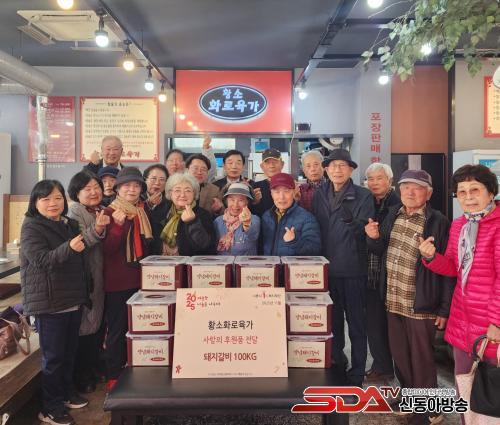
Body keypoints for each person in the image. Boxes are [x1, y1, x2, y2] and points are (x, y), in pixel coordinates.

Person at [365, 169, 454, 424]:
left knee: (422, 359)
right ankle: (410, 397)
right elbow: (382, 249)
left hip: (421, 303)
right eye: (406, 187)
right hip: (393, 299)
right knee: (401, 356)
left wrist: (444, 309)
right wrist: (373, 239)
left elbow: (449, 268)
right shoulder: (394, 213)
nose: (410, 192)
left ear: (429, 193)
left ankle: (430, 409)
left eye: (417, 188)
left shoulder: (438, 221)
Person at [419, 165, 500, 417]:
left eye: (475, 190)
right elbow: (453, 267)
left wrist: (497, 322)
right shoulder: (460, 225)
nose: (468, 197)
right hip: (463, 322)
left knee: (491, 392)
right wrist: (431, 257)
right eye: (462, 192)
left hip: (490, 326)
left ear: (491, 192)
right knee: (465, 390)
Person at [20, 180, 91, 425]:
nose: (53, 203)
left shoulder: (69, 223)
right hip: (49, 302)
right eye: (46, 199)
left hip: (72, 298)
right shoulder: (31, 227)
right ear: (35, 202)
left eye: (58, 197)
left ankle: (66, 394)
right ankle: (50, 408)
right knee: (53, 358)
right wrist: (69, 247)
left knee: (69, 352)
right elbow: (41, 260)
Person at [311, 148, 374, 387]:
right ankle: (338, 365)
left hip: (353, 269)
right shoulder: (319, 194)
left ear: (350, 170)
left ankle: (357, 373)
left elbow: (365, 231)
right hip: (326, 271)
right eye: (333, 165)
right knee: (333, 323)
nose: (337, 169)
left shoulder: (363, 195)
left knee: (357, 325)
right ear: (326, 170)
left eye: (342, 165)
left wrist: (351, 221)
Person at [102, 167, 153, 390]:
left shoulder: (141, 211)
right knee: (117, 329)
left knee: (139, 329)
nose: (132, 189)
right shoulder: (109, 212)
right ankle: (113, 374)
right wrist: (118, 227)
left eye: (136, 185)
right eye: (127, 185)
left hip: (140, 279)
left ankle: (134, 369)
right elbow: (106, 250)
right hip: (117, 281)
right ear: (117, 189)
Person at [67, 171, 110, 394]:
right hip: (86, 278)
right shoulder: (75, 211)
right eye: (87, 189)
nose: (94, 192)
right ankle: (81, 376)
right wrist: (99, 229)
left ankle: (92, 369)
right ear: (77, 193)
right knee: (84, 328)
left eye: (96, 187)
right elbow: (79, 243)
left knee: (97, 326)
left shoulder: (100, 209)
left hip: (100, 276)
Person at [364, 163, 400, 383]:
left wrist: (375, 238)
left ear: (390, 180)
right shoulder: (367, 202)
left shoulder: (398, 204)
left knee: (392, 327)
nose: (374, 183)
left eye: (379, 178)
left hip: (392, 275)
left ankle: (397, 370)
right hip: (372, 274)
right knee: (374, 324)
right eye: (370, 179)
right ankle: (382, 367)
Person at [152, 172, 216, 256]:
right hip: (161, 261)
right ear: (170, 193)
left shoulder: (203, 214)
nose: (182, 195)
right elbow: (151, 242)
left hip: (189, 262)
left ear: (194, 194)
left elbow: (205, 246)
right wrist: (162, 248)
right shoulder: (160, 211)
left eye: (187, 191)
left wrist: (192, 222)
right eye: (177, 190)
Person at [262, 173, 321, 256]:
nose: (281, 197)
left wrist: (294, 241)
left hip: (292, 265)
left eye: (286, 191)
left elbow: (315, 249)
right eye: (277, 192)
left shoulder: (307, 218)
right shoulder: (266, 216)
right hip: (271, 264)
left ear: (293, 192)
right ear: (271, 194)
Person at [214, 182, 260, 256]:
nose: (235, 205)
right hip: (222, 263)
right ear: (226, 201)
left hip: (245, 263)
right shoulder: (218, 221)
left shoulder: (254, 219)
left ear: (247, 202)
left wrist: (247, 223)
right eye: (232, 200)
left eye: (241, 200)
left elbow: (252, 236)